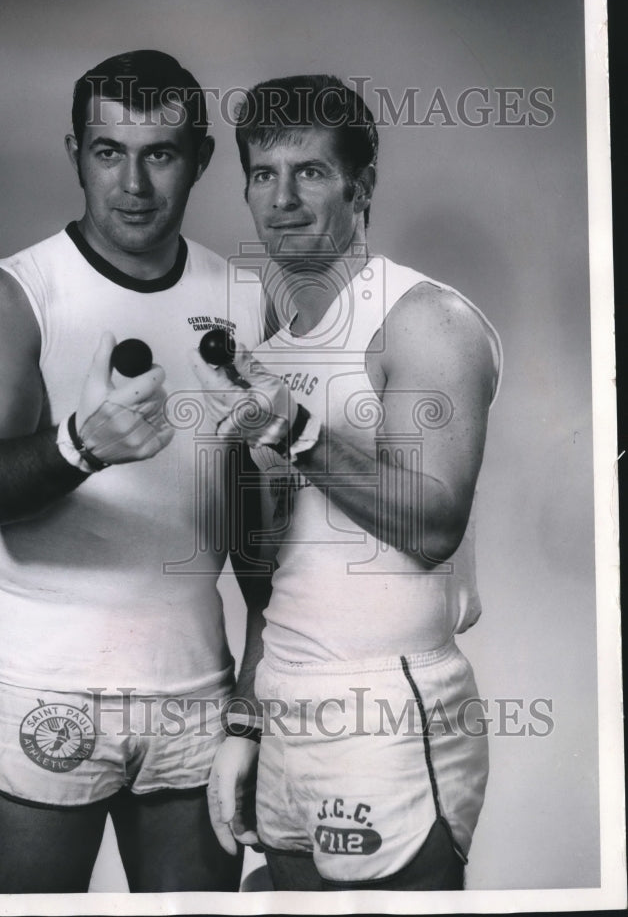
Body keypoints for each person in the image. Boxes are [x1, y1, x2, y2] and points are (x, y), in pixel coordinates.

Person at [0, 50, 263, 893]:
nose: (133, 184)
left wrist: (255, 700)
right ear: (75, 154)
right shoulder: (10, 297)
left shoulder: (243, 299)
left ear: (200, 158)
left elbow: (261, 526)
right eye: (108, 152)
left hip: (192, 682)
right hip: (40, 679)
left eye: (160, 154)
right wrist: (80, 445)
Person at [192, 74, 502, 891]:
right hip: (284, 701)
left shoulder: (424, 320)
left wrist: (294, 431)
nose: (282, 199)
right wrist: (246, 722)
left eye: (310, 172)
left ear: (361, 188)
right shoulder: (270, 357)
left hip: (387, 708)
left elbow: (432, 526)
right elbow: (270, 583)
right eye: (263, 175)